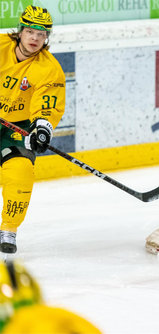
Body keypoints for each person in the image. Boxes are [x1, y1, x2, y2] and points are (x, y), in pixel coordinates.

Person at [0, 5, 66, 254]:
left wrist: (42, 130)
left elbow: (48, 106)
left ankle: (9, 228)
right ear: (20, 31)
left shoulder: (49, 68)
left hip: (17, 128)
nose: (35, 38)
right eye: (30, 31)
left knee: (20, 173)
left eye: (41, 34)